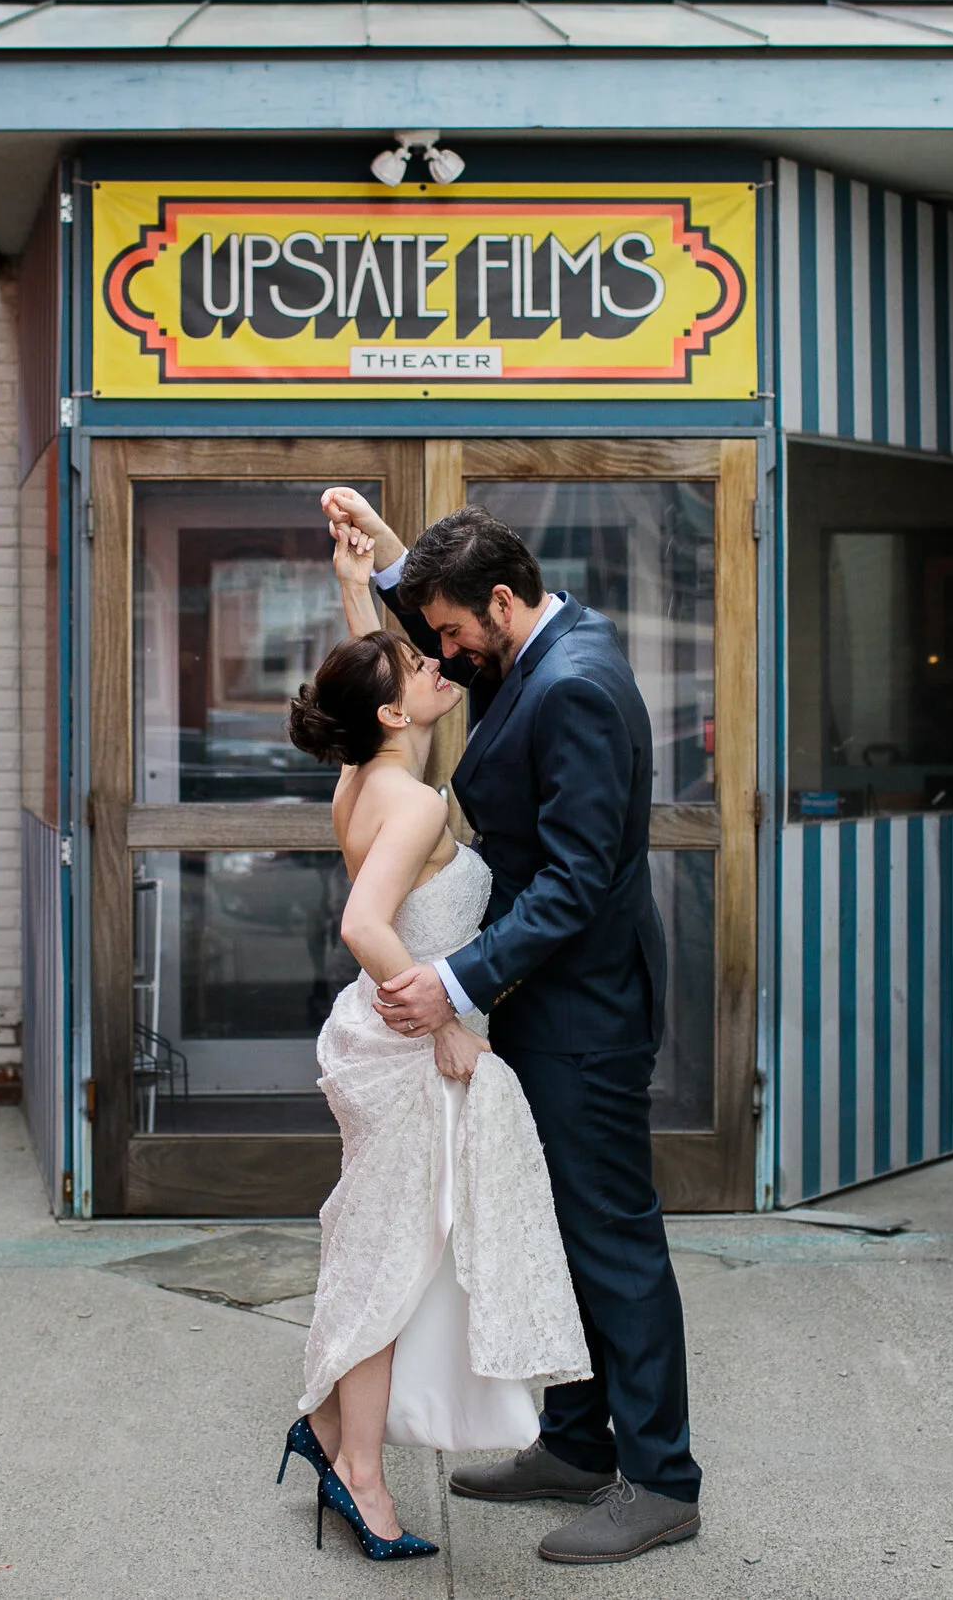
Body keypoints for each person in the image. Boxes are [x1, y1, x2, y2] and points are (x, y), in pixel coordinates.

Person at [317, 487, 706, 1565]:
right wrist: (383, 563)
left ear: (498, 601)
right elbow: (409, 676)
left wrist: (452, 981)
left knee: (611, 1237)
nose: (443, 655)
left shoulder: (577, 682)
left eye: (449, 633)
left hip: (583, 1010)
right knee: (553, 1226)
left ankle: (663, 1477)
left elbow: (578, 880)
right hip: (532, 1002)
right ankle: (578, 1442)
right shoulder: (527, 647)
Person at [279, 518, 590, 1563]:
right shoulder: (407, 800)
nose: (438, 660)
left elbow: (368, 684)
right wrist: (449, 1016)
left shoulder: (363, 773)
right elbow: (363, 927)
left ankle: (328, 1435)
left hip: (387, 1037)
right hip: (411, 1048)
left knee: (392, 1257)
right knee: (388, 1268)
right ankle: (358, 1473)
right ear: (389, 706)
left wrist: (357, 586)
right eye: (419, 662)